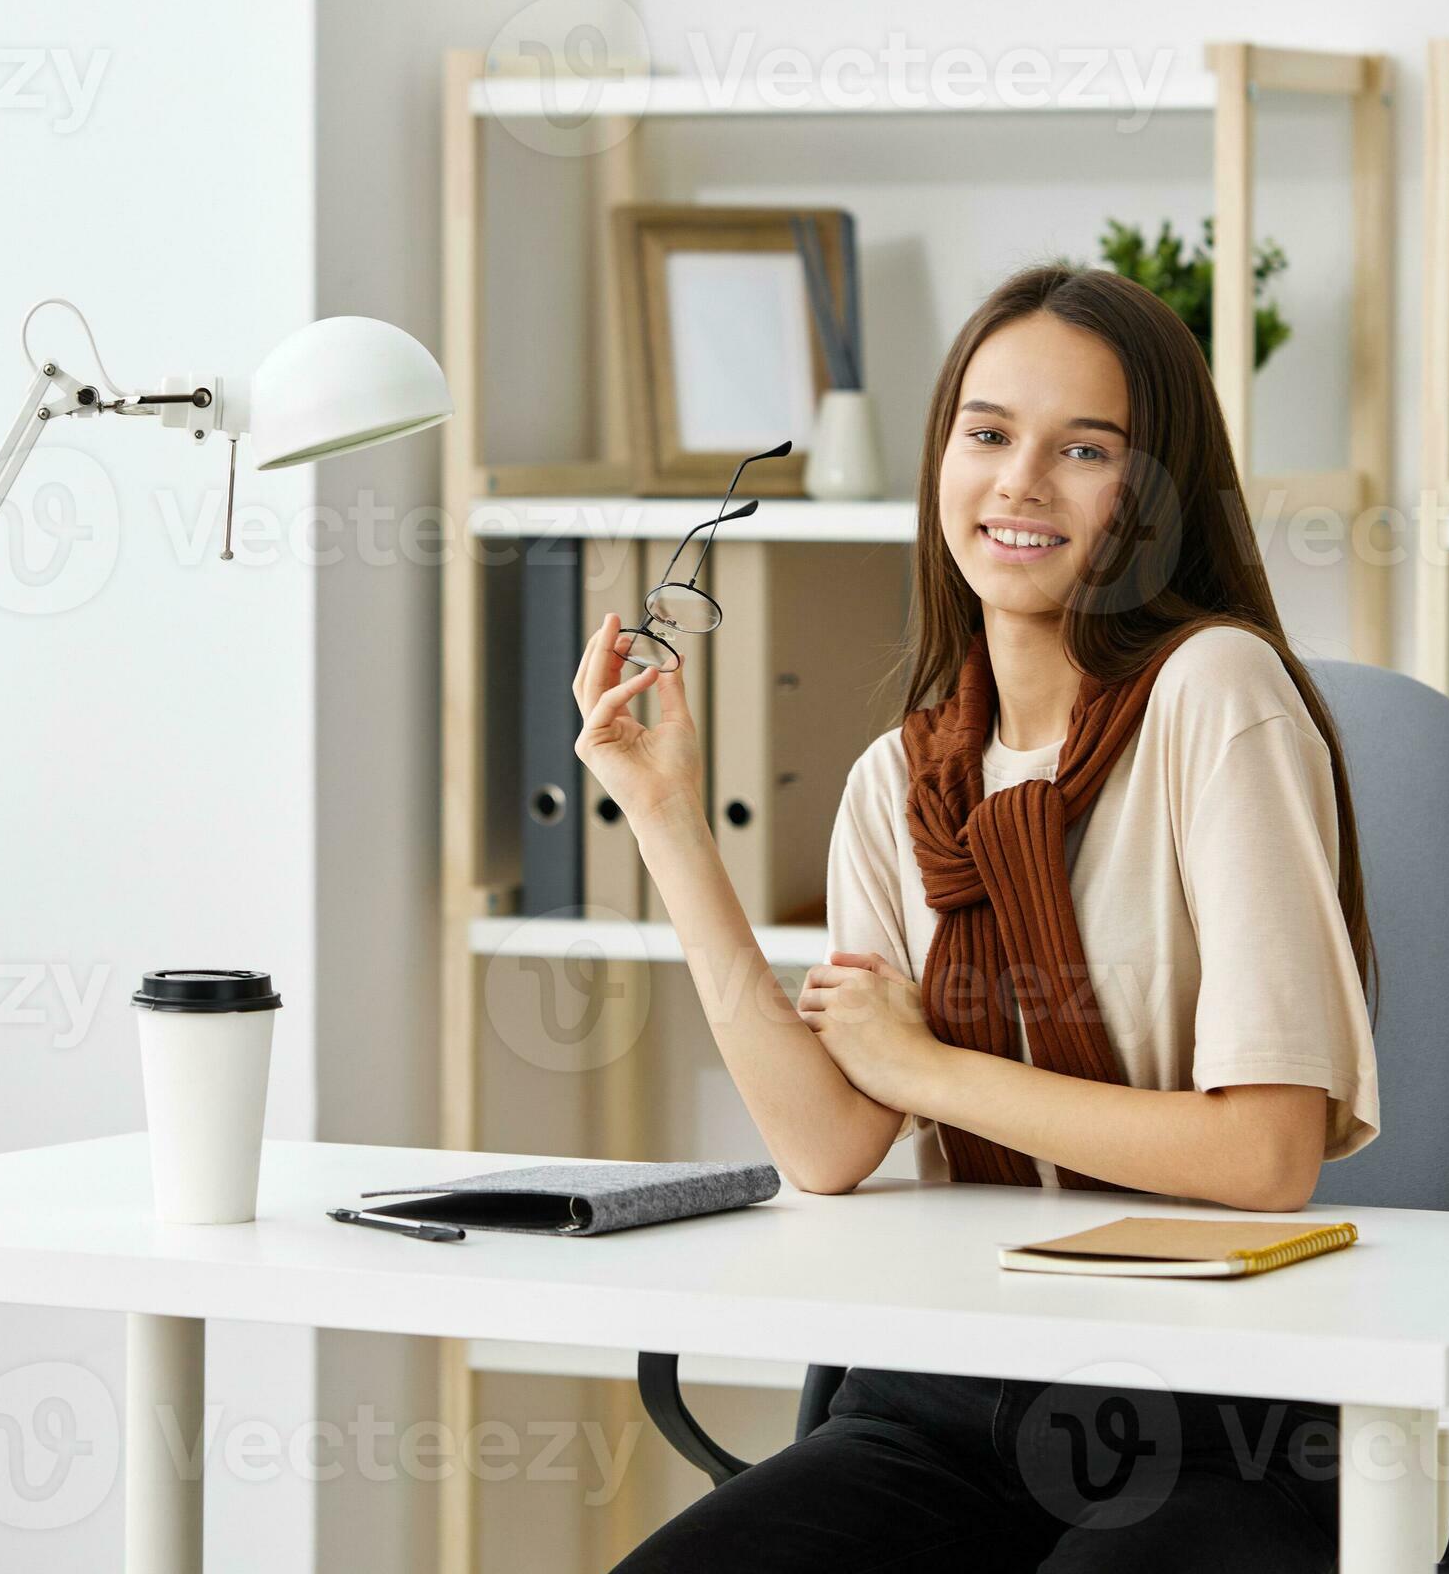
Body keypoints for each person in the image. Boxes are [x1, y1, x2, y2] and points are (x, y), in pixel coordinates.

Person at [569, 260, 1382, 1571]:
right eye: (990, 434)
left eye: (1086, 450)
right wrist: (665, 816)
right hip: (951, 1393)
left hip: (1214, 1419)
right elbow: (831, 1145)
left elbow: (1267, 1155)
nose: (1020, 483)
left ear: (1155, 499)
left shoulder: (1214, 698)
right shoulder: (903, 778)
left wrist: (935, 1072)